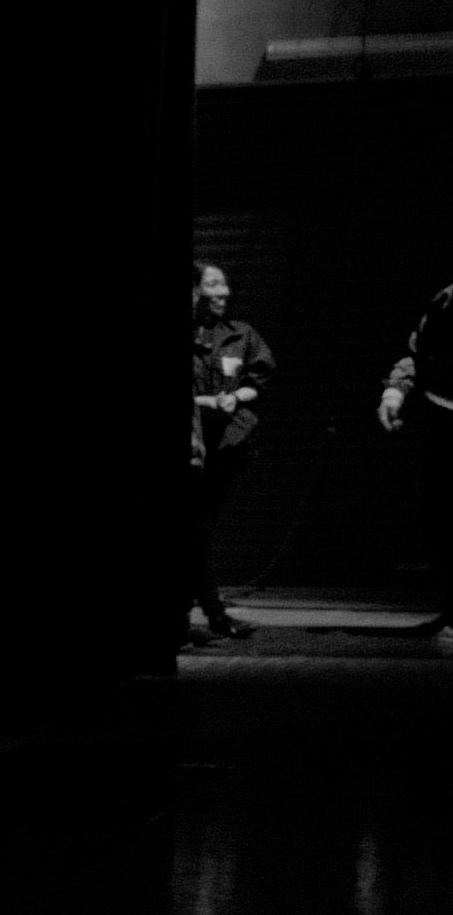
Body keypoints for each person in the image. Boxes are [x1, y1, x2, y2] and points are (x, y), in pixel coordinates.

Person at [182, 260, 279, 645]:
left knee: (197, 532)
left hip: (223, 451)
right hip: (189, 447)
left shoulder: (240, 335)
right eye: (213, 284)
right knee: (195, 531)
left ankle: (190, 617)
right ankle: (213, 615)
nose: (223, 292)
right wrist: (204, 403)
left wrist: (235, 396)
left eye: (225, 284)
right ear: (193, 291)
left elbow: (260, 381)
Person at [391, 279, 451, 639]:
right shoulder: (448, 300)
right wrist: (394, 392)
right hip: (445, 416)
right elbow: (416, 352)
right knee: (439, 516)